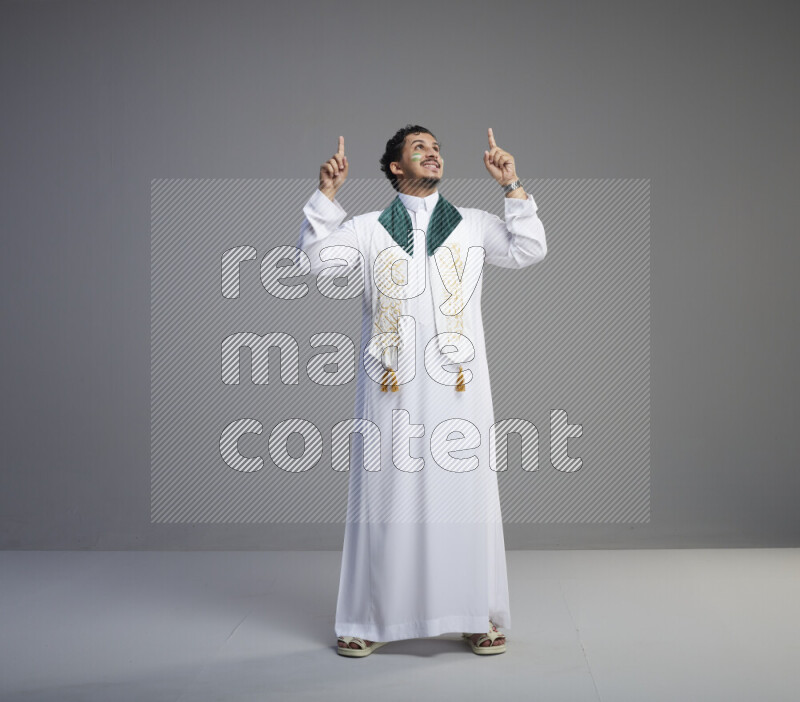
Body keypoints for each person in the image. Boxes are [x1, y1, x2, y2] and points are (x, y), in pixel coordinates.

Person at [296, 125, 547, 656]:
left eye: (436, 148)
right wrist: (327, 197)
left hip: (459, 386)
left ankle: (474, 614)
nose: (432, 154)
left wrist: (511, 185)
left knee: (465, 496)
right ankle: (367, 619)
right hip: (391, 387)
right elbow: (315, 264)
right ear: (395, 167)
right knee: (385, 498)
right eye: (419, 148)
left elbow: (529, 248)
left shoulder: (472, 224)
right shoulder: (367, 229)